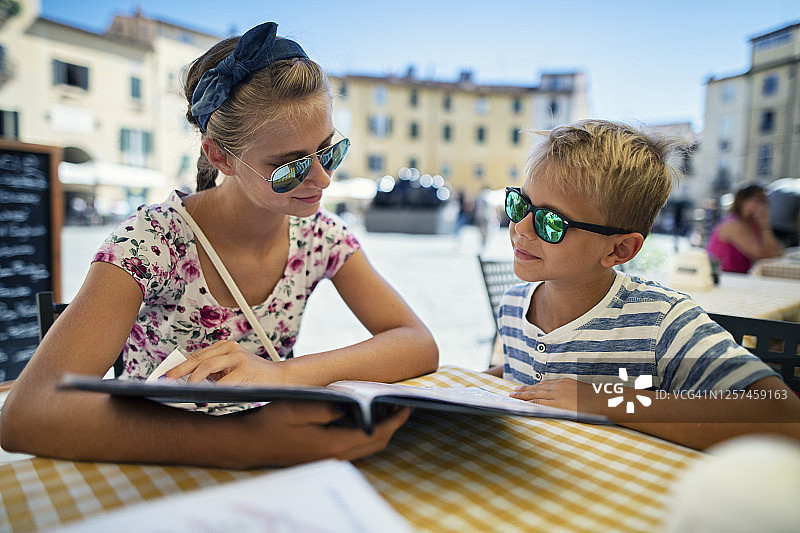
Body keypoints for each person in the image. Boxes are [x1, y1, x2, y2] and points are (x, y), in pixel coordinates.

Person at [0, 22, 438, 468]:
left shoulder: (318, 236)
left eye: (329, 152)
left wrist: (284, 374)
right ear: (220, 156)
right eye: (289, 167)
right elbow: (26, 415)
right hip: (155, 460)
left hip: (277, 456)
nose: (323, 179)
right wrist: (245, 443)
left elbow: (418, 343)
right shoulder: (154, 241)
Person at [486, 119, 800, 450]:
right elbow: (534, 372)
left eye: (550, 222)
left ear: (619, 250)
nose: (520, 228)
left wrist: (606, 400)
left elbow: (782, 416)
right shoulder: (514, 304)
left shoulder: (660, 322)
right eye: (519, 204)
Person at [706, 183, 784, 273]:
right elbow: (765, 256)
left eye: (765, 201)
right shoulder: (733, 225)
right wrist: (765, 225)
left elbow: (779, 251)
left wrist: (763, 226)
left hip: (741, 275)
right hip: (725, 276)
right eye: (759, 200)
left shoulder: (753, 223)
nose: (763, 205)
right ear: (743, 202)